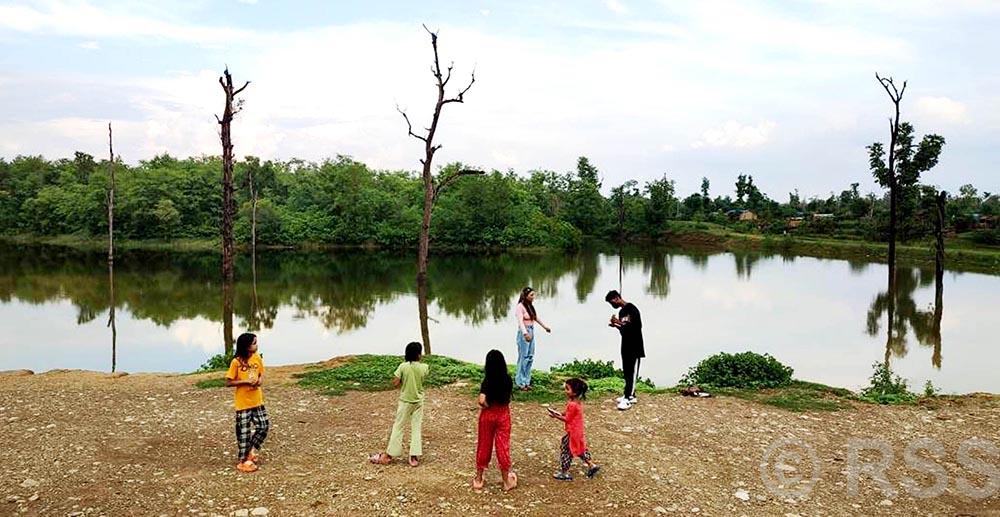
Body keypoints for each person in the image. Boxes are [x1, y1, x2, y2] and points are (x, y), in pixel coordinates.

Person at [370, 341, 429, 467]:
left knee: (398, 427)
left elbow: (395, 383)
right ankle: (413, 456)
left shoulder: (403, 367)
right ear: (419, 355)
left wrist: (403, 380)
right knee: (416, 427)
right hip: (418, 401)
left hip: (405, 401)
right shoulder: (425, 367)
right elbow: (422, 379)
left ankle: (389, 455)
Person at [224, 332, 270, 473]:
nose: (257, 345)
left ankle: (250, 450)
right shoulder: (236, 362)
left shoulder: (257, 358)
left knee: (263, 426)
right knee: (243, 433)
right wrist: (245, 381)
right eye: (254, 343)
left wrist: (259, 381)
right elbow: (229, 382)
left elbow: (261, 374)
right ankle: (244, 460)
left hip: (257, 400)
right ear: (246, 346)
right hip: (243, 403)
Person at [473, 350, 518, 491]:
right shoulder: (508, 379)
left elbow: (481, 400)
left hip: (488, 415)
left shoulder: (487, 380)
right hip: (503, 414)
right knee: (502, 447)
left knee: (484, 445)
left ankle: (479, 479)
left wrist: (487, 406)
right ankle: (506, 481)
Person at [547, 378, 600, 480]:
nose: (565, 391)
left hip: (572, 432)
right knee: (580, 448)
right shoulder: (576, 402)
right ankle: (591, 465)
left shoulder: (572, 404)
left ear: (574, 392)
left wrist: (555, 416)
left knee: (566, 450)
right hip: (578, 432)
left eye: (567, 389)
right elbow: (568, 414)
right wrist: (559, 413)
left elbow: (567, 419)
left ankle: (565, 472)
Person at [605, 290, 644, 411]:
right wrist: (616, 325)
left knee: (632, 372)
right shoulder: (621, 312)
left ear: (617, 298)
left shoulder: (632, 309)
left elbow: (637, 327)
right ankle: (628, 394)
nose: (612, 305)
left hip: (635, 346)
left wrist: (619, 322)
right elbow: (624, 330)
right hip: (625, 345)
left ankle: (629, 398)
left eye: (612, 302)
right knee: (627, 371)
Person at [514, 286, 551, 390]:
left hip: (531, 330)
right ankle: (520, 382)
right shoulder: (520, 307)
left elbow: (535, 317)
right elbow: (520, 322)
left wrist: (545, 327)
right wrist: (525, 334)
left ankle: (526, 381)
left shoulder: (530, 306)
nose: (533, 297)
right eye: (531, 295)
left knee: (530, 356)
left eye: (534, 295)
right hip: (524, 332)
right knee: (523, 357)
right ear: (525, 296)